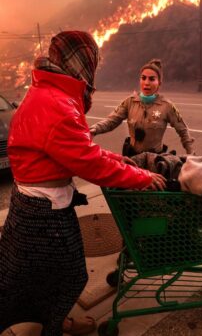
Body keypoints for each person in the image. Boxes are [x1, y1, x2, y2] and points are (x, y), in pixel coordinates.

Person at [0, 31, 166, 336]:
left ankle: (53, 318)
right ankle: (55, 327)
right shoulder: (58, 105)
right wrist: (141, 178)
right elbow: (89, 163)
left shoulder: (46, 92)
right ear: (83, 63)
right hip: (44, 213)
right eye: (93, 63)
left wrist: (119, 160)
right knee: (70, 276)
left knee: (31, 275)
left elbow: (78, 149)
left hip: (31, 204)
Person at [89, 59, 195, 156]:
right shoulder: (129, 102)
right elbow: (111, 121)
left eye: (152, 79)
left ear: (159, 83)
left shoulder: (167, 106)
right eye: (143, 78)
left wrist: (191, 153)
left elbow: (182, 130)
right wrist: (95, 129)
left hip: (155, 159)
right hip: (132, 158)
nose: (146, 83)